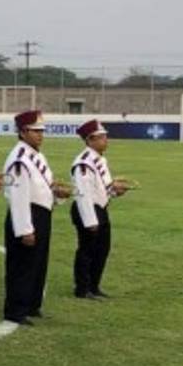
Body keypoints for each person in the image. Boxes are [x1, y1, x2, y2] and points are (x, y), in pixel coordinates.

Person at [2, 111, 58, 325]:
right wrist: (25, 229)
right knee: (22, 265)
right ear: (23, 132)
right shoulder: (19, 159)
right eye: (35, 131)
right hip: (26, 215)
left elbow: (43, 185)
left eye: (42, 130)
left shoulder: (36, 155)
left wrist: (57, 194)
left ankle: (32, 305)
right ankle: (15, 310)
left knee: (38, 263)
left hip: (41, 213)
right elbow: (18, 197)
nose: (40, 135)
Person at [70, 119, 128, 299]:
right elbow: (84, 194)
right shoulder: (84, 163)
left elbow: (103, 186)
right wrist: (90, 220)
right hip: (88, 210)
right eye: (101, 137)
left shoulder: (100, 159)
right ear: (90, 140)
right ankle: (82, 288)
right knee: (87, 250)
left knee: (102, 249)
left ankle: (94, 286)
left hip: (100, 209)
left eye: (105, 137)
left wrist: (115, 191)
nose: (105, 140)